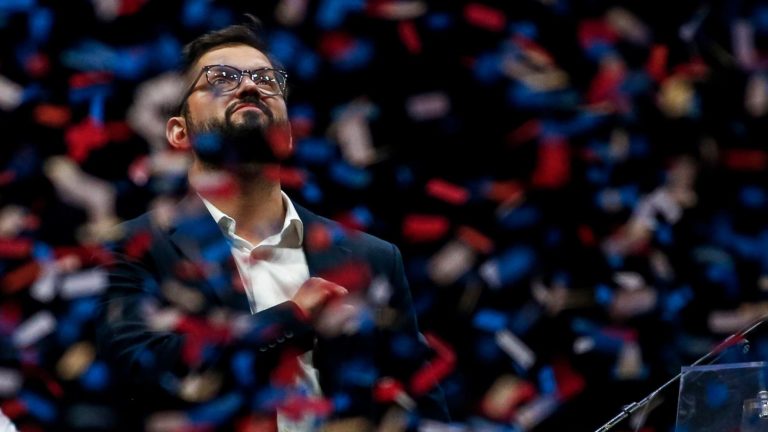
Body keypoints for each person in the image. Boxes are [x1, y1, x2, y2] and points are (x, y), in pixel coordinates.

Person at [96, 14, 449, 431]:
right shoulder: (134, 247)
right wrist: (292, 318)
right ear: (178, 132)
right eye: (221, 78)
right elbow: (142, 371)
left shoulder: (371, 256)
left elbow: (424, 404)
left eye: (268, 80)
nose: (250, 86)